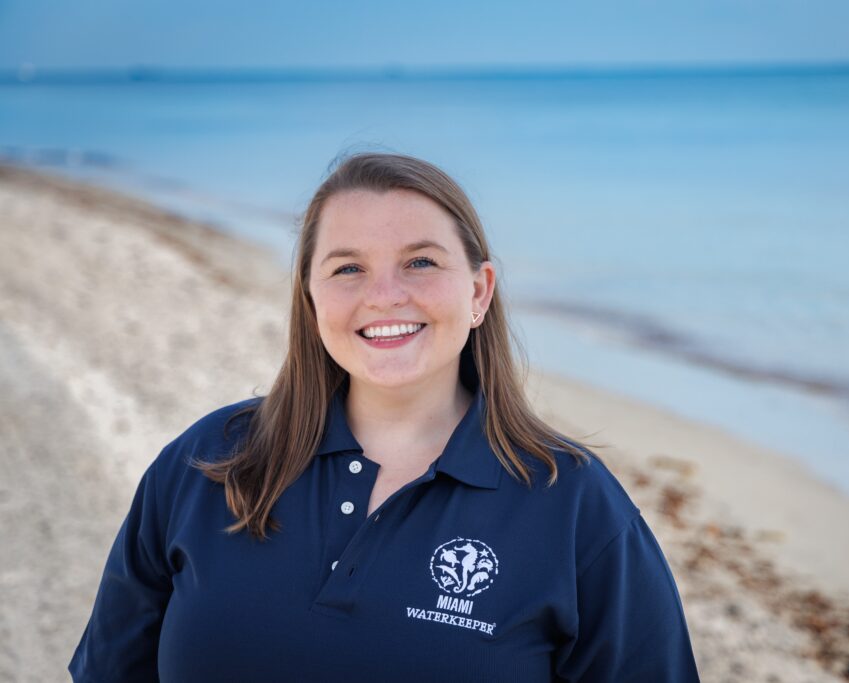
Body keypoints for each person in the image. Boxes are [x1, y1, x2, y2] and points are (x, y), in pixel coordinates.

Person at [69, 152, 701, 682]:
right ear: (312, 299)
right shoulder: (207, 463)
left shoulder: (573, 506)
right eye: (348, 268)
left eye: (421, 262)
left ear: (478, 292)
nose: (385, 295)